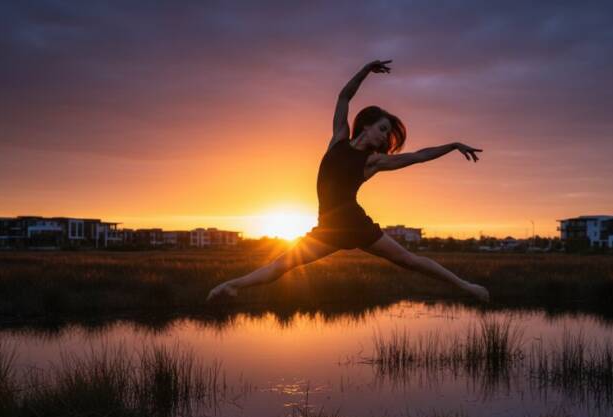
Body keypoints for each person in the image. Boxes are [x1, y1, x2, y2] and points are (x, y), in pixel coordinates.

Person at [206, 60, 490, 303]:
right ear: (366, 124)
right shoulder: (338, 139)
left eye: (387, 134)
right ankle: (231, 285)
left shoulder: (373, 161)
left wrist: (452, 145)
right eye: (382, 129)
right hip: (328, 227)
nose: (384, 137)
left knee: (409, 261)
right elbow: (344, 97)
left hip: (355, 224)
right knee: (282, 265)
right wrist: (365, 70)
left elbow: (418, 156)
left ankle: (467, 287)